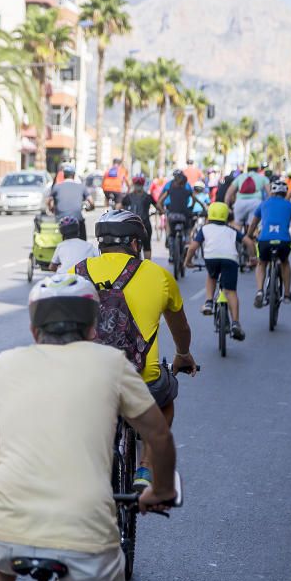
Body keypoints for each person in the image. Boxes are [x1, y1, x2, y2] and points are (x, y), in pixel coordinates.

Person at [0, 274, 177, 581]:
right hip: (86, 536)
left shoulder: (7, 362)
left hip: (5, 526)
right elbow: (158, 435)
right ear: (92, 328)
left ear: (33, 329)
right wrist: (162, 490)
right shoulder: (111, 363)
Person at [72, 209, 197, 491]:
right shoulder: (158, 275)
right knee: (165, 400)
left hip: (88, 379)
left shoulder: (75, 273)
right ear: (135, 244)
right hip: (142, 381)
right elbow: (181, 328)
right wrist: (183, 354)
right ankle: (146, 468)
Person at [184, 202, 253, 341]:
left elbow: (193, 247)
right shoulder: (231, 230)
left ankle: (209, 301)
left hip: (211, 259)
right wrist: (252, 258)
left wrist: (187, 262)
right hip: (230, 260)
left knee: (211, 276)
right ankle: (235, 323)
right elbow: (249, 243)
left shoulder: (205, 229)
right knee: (231, 291)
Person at [246, 180, 291, 308]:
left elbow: (254, 223)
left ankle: (260, 290)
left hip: (265, 240)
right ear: (285, 193)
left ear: (272, 192)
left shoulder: (264, 204)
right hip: (283, 241)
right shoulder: (290, 205)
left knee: (262, 263)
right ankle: (287, 294)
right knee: (285, 263)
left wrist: (249, 235)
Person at [48, 164, 94, 240]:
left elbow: (49, 201)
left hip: (60, 220)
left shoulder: (57, 186)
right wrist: (91, 208)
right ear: (74, 175)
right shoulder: (81, 186)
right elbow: (91, 201)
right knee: (82, 240)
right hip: (77, 219)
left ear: (64, 175)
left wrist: (52, 209)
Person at [158, 170, 202, 248]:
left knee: (168, 221)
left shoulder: (169, 186)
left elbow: (160, 200)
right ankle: (187, 241)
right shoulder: (187, 188)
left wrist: (162, 210)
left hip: (171, 210)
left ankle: (169, 238)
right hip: (184, 212)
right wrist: (192, 207)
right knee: (188, 227)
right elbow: (196, 199)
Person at [121, 175, 159, 260]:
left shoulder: (128, 197)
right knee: (147, 246)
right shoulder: (148, 196)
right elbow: (158, 206)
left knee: (128, 245)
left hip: (131, 226)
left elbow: (119, 207)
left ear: (134, 184)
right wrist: (162, 211)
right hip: (145, 225)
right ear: (143, 185)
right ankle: (147, 265)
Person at [225, 163, 270, 231]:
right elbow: (270, 194)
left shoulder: (240, 177)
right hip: (256, 203)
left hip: (240, 203)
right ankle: (251, 240)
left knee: (237, 226)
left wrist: (227, 206)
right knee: (253, 227)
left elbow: (228, 193)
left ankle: (238, 240)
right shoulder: (263, 178)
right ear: (258, 169)